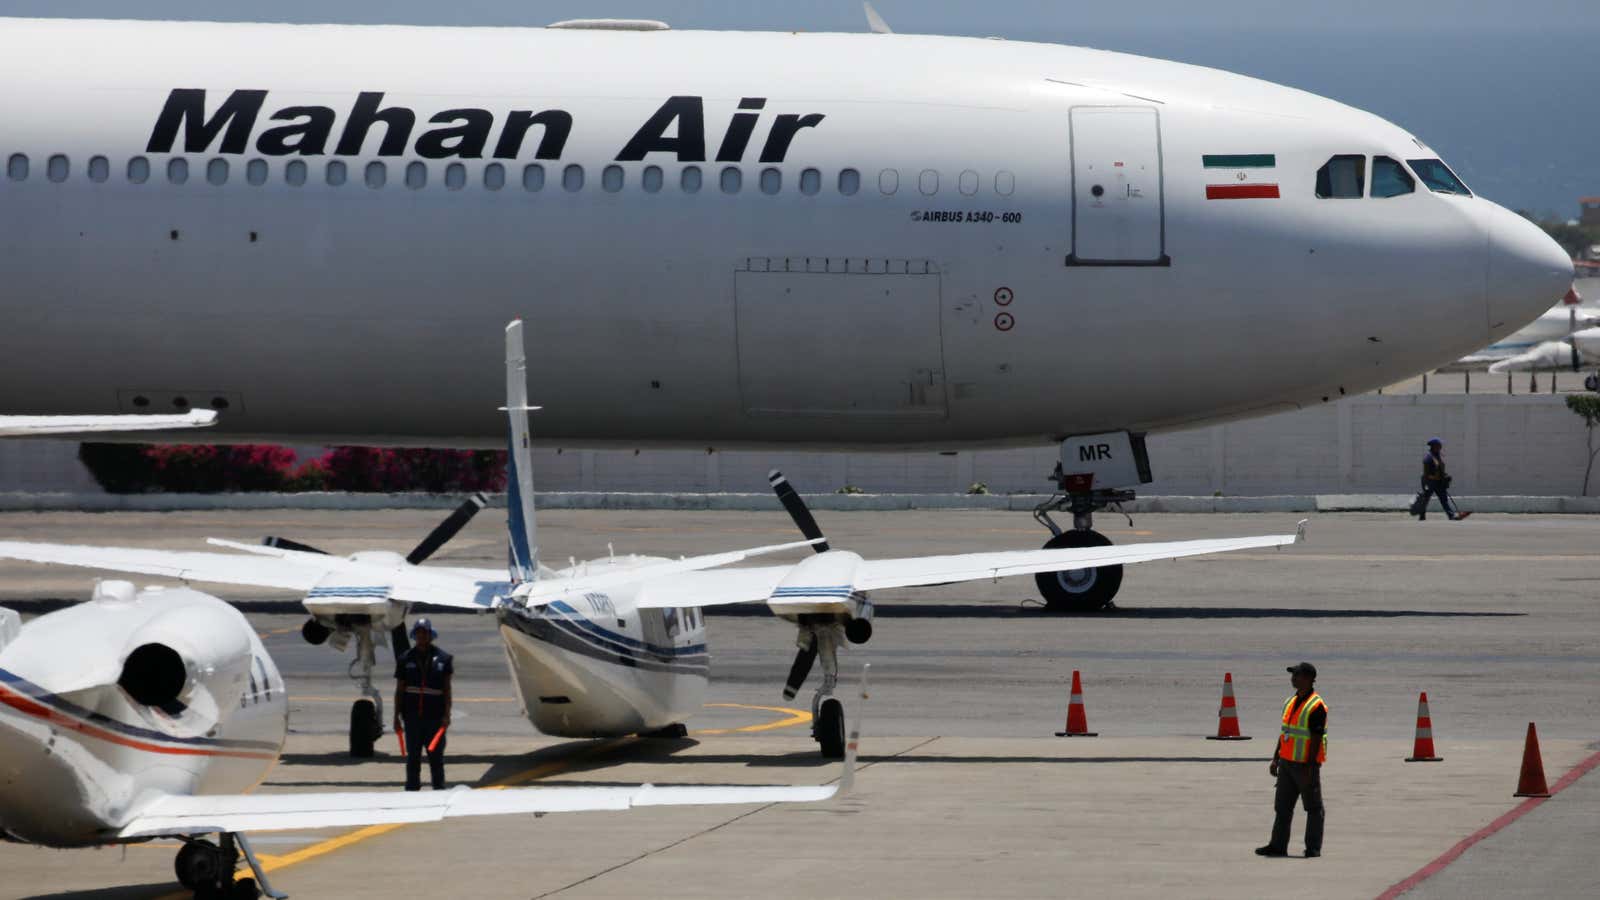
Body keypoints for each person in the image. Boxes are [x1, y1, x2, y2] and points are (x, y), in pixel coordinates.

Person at [1257, 662, 1327, 859]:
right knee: (1282, 807)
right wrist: (1275, 758)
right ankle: (1278, 845)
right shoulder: (1290, 702)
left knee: (1313, 807)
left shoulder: (1316, 706)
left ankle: (1313, 848)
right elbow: (1285, 733)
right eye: (1293, 675)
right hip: (1287, 764)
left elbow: (1315, 738)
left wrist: (1310, 766)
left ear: (1307, 678)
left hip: (1305, 765)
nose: (1293, 678)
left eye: (1296, 675)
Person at [393, 618, 452, 791]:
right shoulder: (405, 659)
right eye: (418, 633)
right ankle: (412, 791)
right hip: (412, 719)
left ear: (430, 635)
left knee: (436, 759)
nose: (421, 636)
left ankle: (439, 791)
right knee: (413, 759)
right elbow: (399, 690)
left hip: (435, 719)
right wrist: (396, 717)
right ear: (414, 635)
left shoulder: (444, 659)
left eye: (424, 632)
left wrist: (447, 715)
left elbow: (447, 690)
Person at [1415, 438, 1470, 521]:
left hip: (1438, 482)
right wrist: (1436, 478)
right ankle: (1422, 516)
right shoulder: (1428, 457)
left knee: (1444, 499)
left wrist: (1445, 476)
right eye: (1439, 445)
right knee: (1425, 499)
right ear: (1434, 446)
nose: (1440, 447)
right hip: (1429, 482)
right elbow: (1427, 473)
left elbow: (1439, 469)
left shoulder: (1438, 456)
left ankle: (1451, 516)